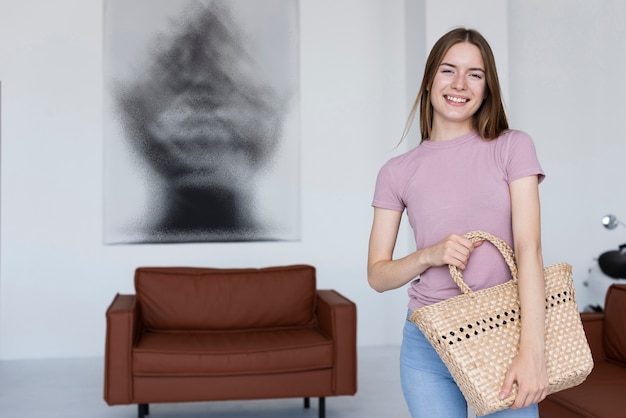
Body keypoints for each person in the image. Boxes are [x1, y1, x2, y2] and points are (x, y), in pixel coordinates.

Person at [367, 28, 548, 417]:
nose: (460, 84)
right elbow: (378, 276)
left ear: (487, 88)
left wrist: (532, 352)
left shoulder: (512, 147)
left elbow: (529, 250)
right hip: (427, 345)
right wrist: (428, 255)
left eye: (475, 74)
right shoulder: (396, 172)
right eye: (449, 70)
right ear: (430, 78)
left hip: (504, 335)